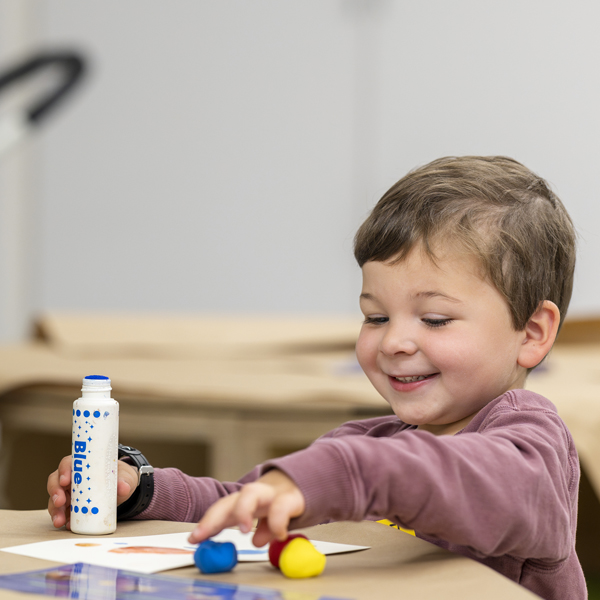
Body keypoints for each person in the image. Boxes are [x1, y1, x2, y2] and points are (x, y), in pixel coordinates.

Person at [47, 156, 585, 600]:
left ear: (532, 332)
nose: (394, 341)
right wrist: (141, 489)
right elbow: (247, 505)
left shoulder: (530, 444)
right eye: (375, 317)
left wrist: (341, 473)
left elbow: (461, 480)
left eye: (435, 319)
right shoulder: (363, 445)